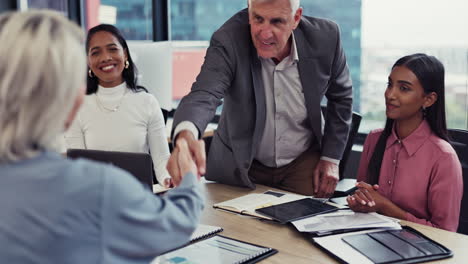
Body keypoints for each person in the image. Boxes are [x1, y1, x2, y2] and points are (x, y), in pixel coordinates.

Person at [0, 10, 204, 263]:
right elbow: (178, 224)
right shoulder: (98, 186)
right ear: (68, 98)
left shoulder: (145, 103)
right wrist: (187, 176)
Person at [168, 0, 353, 197]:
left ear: (296, 18)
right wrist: (186, 136)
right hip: (242, 163)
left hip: (302, 161)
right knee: (234, 227)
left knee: (301, 225)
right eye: (258, 19)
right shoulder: (228, 39)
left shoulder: (326, 37)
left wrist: (331, 158)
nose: (264, 34)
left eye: (277, 22)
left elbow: (341, 98)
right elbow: (205, 94)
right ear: (249, 11)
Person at [347, 54, 463, 232]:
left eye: (404, 88)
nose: (390, 94)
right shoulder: (374, 139)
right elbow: (364, 199)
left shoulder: (443, 157)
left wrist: (385, 206)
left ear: (428, 99)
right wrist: (361, 201)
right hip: (370, 237)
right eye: (390, 84)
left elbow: (446, 233)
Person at [64, 24, 173, 187]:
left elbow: (162, 160)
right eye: (96, 52)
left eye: (112, 49)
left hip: (138, 197)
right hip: (96, 199)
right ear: (88, 62)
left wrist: (168, 179)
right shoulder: (78, 107)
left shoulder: (147, 102)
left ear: (125, 54)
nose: (106, 57)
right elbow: (79, 169)